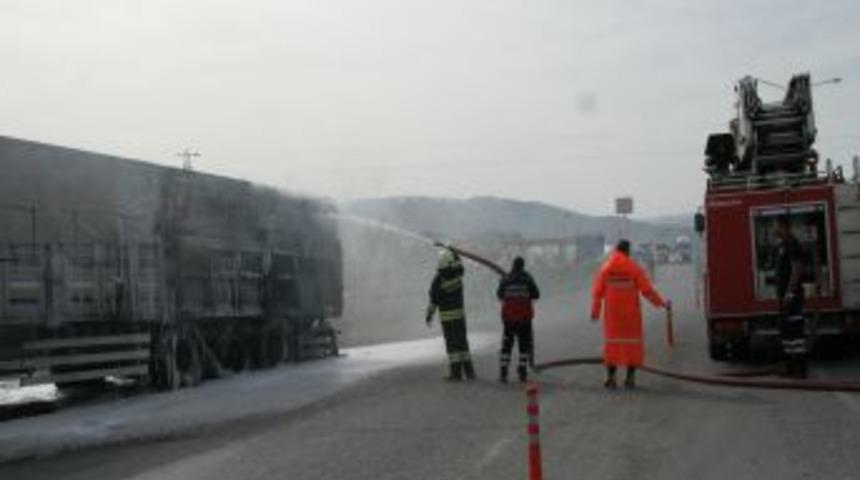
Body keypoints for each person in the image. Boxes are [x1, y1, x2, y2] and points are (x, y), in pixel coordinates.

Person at [590, 239, 668, 389]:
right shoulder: (634, 268)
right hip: (631, 315)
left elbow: (597, 293)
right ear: (628, 251)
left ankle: (610, 378)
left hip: (612, 316)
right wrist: (660, 303)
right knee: (632, 345)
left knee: (612, 346)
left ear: (616, 250)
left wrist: (595, 312)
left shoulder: (605, 268)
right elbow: (647, 290)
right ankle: (630, 378)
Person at [426, 248, 476, 381]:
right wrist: (455, 253)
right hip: (460, 316)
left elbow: (433, 299)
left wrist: (429, 314)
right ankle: (469, 372)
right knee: (463, 343)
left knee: (452, 345)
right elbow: (460, 267)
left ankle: (456, 374)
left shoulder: (439, 281)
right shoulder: (458, 276)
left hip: (448, 318)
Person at [496, 256, 540, 383]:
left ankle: (503, 372)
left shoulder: (505, 279)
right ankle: (522, 372)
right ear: (523, 266)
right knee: (523, 347)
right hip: (524, 319)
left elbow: (499, 295)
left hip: (509, 320)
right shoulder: (527, 280)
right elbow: (536, 294)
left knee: (506, 346)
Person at [774, 216, 808, 378]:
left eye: (777, 227)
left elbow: (796, 269)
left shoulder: (793, 244)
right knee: (786, 332)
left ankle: (800, 369)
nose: (775, 230)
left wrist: (790, 292)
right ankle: (790, 367)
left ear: (785, 227)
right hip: (784, 298)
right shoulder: (782, 245)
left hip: (792, 298)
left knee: (795, 334)